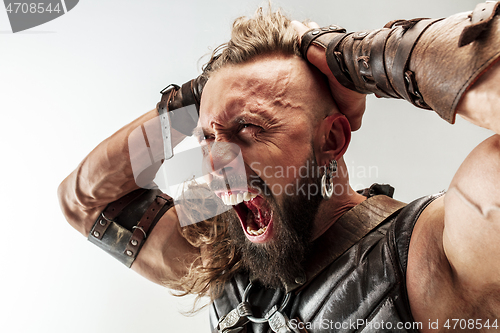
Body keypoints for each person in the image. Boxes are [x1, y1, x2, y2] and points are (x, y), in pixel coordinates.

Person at [58, 2, 500, 332]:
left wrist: (359, 58)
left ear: (332, 139)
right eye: (207, 137)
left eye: (248, 128)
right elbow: (86, 199)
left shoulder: (432, 252)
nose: (213, 162)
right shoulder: (228, 260)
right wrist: (190, 104)